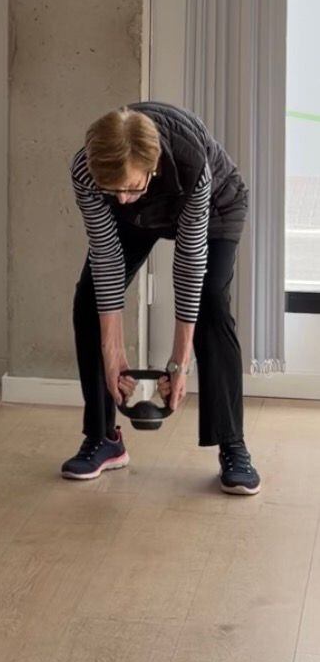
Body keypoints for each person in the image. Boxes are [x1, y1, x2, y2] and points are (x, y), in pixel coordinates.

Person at [63, 101, 261, 495]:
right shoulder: (89, 171)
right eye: (111, 189)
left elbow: (189, 263)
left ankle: (233, 445)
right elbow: (106, 257)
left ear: (151, 168)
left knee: (211, 304)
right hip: (142, 215)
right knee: (88, 301)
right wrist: (113, 351)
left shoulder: (191, 163)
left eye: (130, 186)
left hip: (217, 206)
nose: (119, 198)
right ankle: (104, 439)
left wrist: (179, 362)